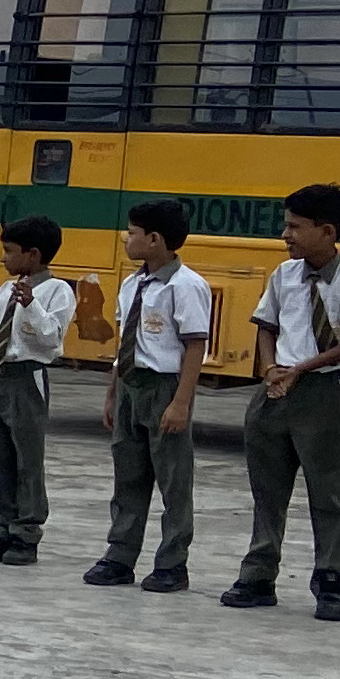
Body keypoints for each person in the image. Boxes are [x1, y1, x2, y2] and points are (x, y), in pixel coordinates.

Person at [222, 183, 340, 618]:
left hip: (323, 390)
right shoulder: (285, 275)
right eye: (286, 225)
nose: (285, 235)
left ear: (327, 231)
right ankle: (258, 573)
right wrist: (271, 367)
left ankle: (330, 579)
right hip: (277, 389)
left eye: (295, 227)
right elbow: (267, 324)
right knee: (267, 490)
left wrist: (301, 369)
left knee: (329, 493)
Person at [88, 198, 214, 592]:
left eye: (132, 233)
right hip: (131, 383)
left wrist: (181, 402)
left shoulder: (187, 286)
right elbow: (126, 342)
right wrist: (113, 393)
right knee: (128, 473)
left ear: (155, 239)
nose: (126, 240)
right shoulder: (132, 284)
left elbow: (195, 346)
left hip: (165, 387)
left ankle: (172, 563)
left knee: (173, 479)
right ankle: (120, 555)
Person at [0, 214, 74, 564]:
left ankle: (26, 533)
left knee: (27, 459)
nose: (3, 258)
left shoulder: (58, 291)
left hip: (26, 378)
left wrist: (31, 304)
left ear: (32, 254)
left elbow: (52, 338)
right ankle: (3, 527)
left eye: (9, 251)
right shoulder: (5, 289)